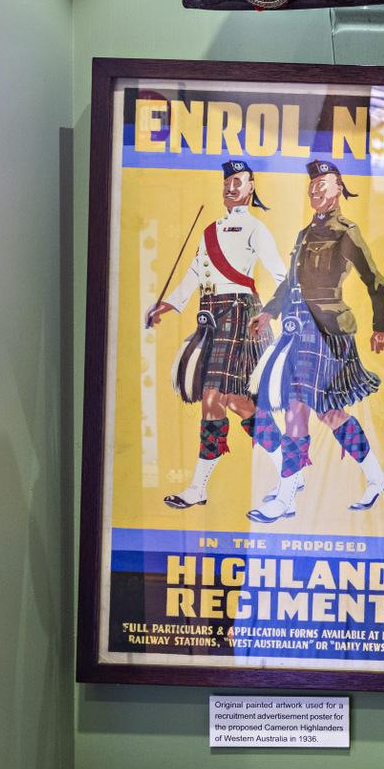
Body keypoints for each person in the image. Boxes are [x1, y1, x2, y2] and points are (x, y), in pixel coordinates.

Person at [248, 159, 384, 522]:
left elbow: (375, 280)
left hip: (328, 332)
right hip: (298, 329)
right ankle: (364, 478)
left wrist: (380, 325)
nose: (315, 192)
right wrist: (269, 311)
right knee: (310, 410)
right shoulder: (303, 234)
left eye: (322, 186)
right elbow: (290, 284)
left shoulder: (346, 232)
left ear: (339, 187)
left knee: (314, 411)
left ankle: (293, 494)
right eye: (312, 187)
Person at [147, 160, 287, 509]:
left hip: (240, 315)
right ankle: (289, 467)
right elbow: (197, 270)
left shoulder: (256, 229)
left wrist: (270, 312)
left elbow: (283, 276)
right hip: (210, 315)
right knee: (237, 403)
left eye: (238, 182)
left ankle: (197, 487)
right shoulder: (210, 230)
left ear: (251, 187)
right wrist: (169, 304)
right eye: (227, 182)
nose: (231, 187)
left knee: (211, 399)